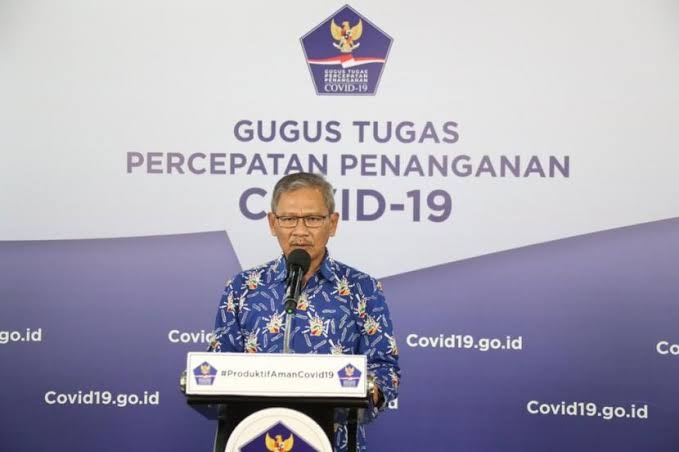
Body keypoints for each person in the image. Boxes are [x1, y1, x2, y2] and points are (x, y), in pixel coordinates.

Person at [211, 172, 400, 451]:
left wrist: (369, 391)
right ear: (272, 223)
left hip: (335, 441)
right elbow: (218, 366)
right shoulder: (243, 288)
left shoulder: (363, 289)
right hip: (254, 438)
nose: (300, 231)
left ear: (332, 223)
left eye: (312, 219)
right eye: (288, 219)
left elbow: (385, 369)